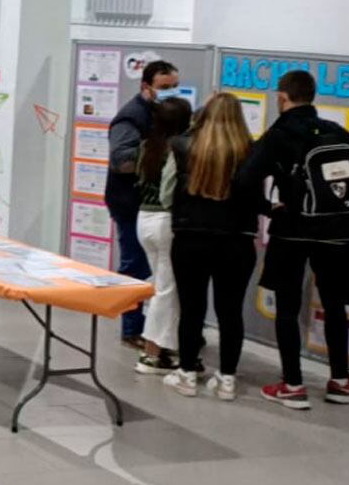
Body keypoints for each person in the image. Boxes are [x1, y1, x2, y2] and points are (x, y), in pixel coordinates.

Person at [238, 70, 349, 408]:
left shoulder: (277, 135)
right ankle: (341, 381)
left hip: (291, 231)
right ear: (312, 96)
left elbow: (246, 178)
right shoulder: (339, 133)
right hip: (337, 234)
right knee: (335, 305)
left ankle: (292, 385)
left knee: (288, 307)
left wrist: (269, 208)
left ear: (282, 97)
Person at [162, 93, 260, 401]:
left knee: (192, 309)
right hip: (237, 242)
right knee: (231, 312)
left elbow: (166, 193)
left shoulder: (182, 146)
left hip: (190, 238)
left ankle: (187, 374)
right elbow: (257, 198)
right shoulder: (251, 151)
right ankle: (227, 379)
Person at [106, 60, 181, 346]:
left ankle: (154, 329)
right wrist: (154, 157)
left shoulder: (164, 114)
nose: (171, 92)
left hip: (152, 205)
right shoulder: (131, 117)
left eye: (175, 86)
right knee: (134, 267)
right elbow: (120, 159)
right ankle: (131, 329)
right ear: (146, 87)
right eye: (164, 88)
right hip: (129, 203)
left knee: (156, 272)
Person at [134, 97, 192, 375]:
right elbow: (169, 190)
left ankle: (162, 348)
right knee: (165, 290)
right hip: (165, 220)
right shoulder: (176, 149)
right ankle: (152, 354)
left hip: (143, 218)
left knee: (159, 284)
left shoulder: (147, 145)